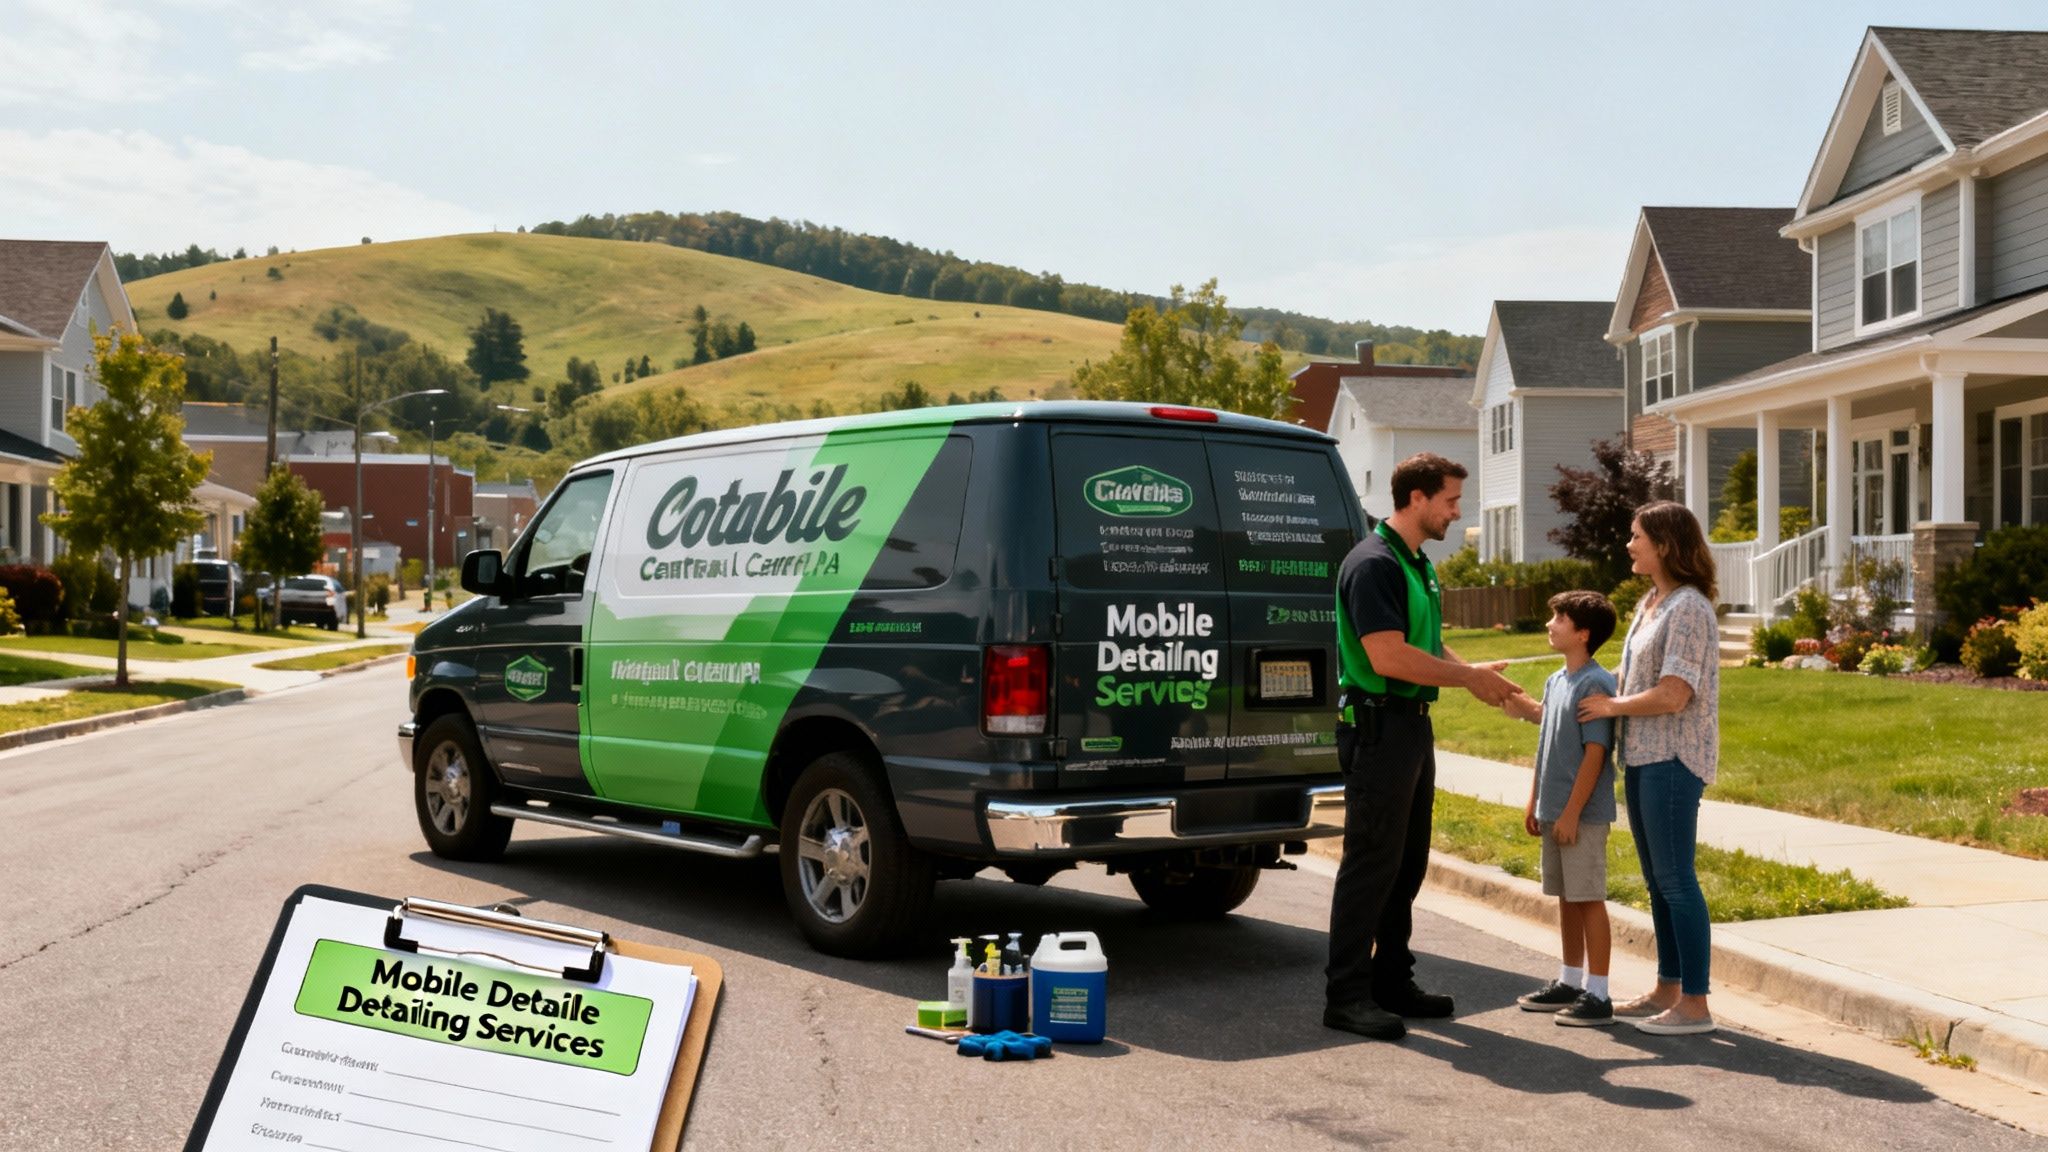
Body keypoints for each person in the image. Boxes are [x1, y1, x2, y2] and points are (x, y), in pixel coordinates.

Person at [1324, 453, 1522, 1042]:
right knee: (1371, 864)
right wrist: (1468, 678)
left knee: (1406, 864)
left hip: (1409, 727)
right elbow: (1387, 656)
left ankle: (1392, 980)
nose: (1457, 513)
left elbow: (1427, 644)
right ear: (1416, 498)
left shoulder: (1415, 563)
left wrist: (1490, 685)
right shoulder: (1373, 564)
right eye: (1450, 501)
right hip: (1377, 728)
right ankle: (1346, 996)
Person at [1578, 500, 1721, 1036]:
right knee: (1658, 882)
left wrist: (1610, 707)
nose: (1629, 544)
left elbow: (1674, 693)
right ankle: (1668, 989)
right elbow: (1628, 678)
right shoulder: (1652, 603)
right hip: (1641, 757)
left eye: (1637, 536)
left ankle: (1696, 1005)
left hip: (1674, 759)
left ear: (1664, 544)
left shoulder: (1689, 609)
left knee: (1677, 880)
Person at [1503, 591, 1620, 1026]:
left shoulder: (1596, 683)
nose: (1549, 624)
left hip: (1582, 814)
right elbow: (1545, 746)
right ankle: (1570, 981)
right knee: (1567, 898)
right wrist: (1536, 800)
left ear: (1583, 633)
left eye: (1559, 618)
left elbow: (1595, 754)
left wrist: (1571, 812)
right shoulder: (1556, 681)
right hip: (1553, 808)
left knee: (1588, 898)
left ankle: (1599, 993)